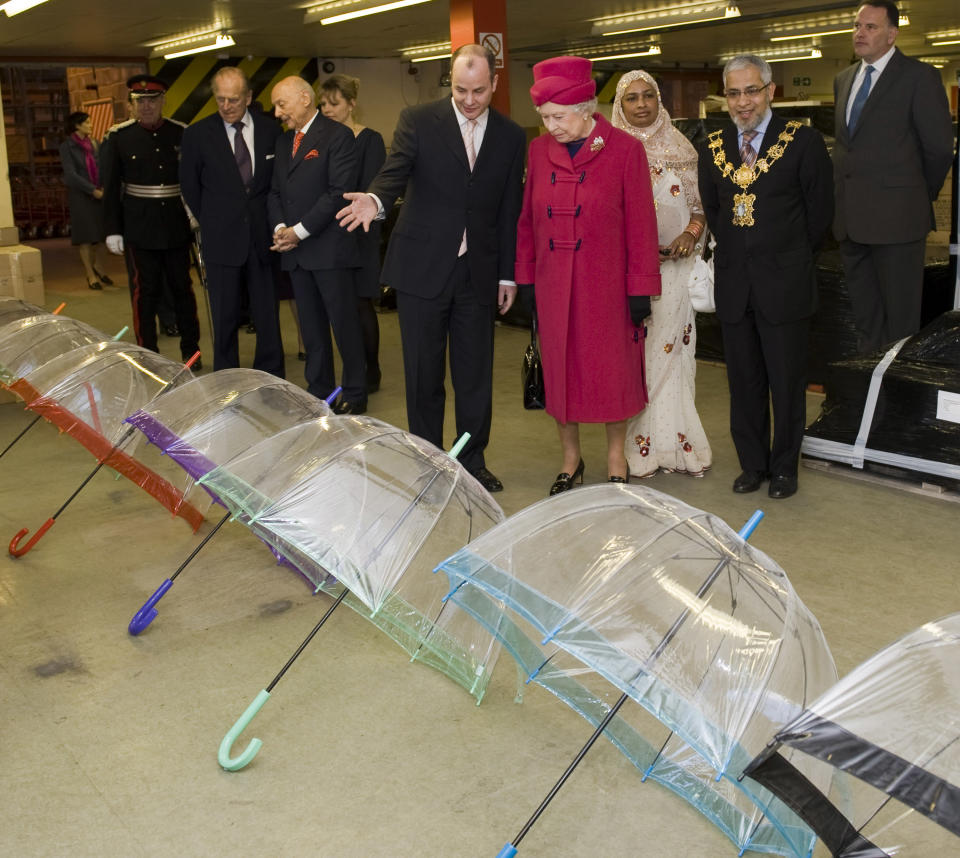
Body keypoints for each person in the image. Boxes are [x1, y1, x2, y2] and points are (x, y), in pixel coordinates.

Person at [337, 44, 525, 492]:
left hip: (478, 272)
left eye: (479, 91)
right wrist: (376, 199)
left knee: (474, 373)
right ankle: (427, 461)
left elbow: (509, 209)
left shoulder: (511, 135)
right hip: (422, 269)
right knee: (423, 373)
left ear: (495, 84)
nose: (470, 100)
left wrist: (507, 274)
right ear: (451, 83)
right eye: (460, 89)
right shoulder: (419, 120)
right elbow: (394, 172)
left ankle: (472, 459)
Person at [515, 56, 661, 495]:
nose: (550, 126)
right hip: (555, 286)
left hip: (607, 287)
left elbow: (641, 225)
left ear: (585, 110)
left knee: (611, 373)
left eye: (558, 117)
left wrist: (640, 288)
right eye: (544, 118)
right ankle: (571, 460)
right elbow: (527, 219)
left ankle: (616, 456)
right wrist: (526, 276)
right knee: (561, 375)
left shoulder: (624, 150)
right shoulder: (540, 151)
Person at [698, 54, 833, 499]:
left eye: (751, 90)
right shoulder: (711, 146)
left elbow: (820, 218)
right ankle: (751, 465)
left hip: (786, 285)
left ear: (771, 91)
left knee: (787, 381)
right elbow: (716, 213)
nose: (742, 102)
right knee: (744, 382)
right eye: (733, 93)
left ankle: (785, 468)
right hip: (736, 285)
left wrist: (785, 257)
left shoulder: (802, 142)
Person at [833, 1, 954, 354]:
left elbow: (938, 151)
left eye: (870, 27)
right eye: (857, 26)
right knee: (866, 321)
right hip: (851, 224)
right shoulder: (843, 80)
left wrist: (914, 196)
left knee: (900, 324)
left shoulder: (920, 77)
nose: (860, 33)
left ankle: (896, 401)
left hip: (899, 222)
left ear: (892, 33)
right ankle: (872, 398)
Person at [612, 70, 712, 480]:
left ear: (658, 100)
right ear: (620, 105)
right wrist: (633, 248)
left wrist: (689, 236)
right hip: (629, 275)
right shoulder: (611, 149)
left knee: (673, 359)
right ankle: (637, 450)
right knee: (639, 362)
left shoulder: (682, 147)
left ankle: (675, 446)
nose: (641, 105)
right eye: (632, 98)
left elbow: (701, 211)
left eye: (648, 96)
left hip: (674, 272)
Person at [268, 75, 366, 412]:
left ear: (304, 99)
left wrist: (299, 231)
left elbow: (337, 193)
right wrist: (282, 228)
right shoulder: (284, 143)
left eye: (282, 104)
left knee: (344, 327)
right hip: (296, 253)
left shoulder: (337, 137)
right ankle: (320, 390)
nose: (278, 112)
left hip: (329, 250)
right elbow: (276, 192)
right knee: (311, 330)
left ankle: (354, 392)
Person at [180, 66, 285, 377]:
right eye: (220, 99)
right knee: (224, 313)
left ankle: (270, 373)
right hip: (221, 237)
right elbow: (189, 185)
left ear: (249, 97)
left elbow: (276, 183)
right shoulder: (198, 134)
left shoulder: (270, 131)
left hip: (262, 236)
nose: (226, 106)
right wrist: (214, 219)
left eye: (234, 100)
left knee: (267, 312)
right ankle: (226, 376)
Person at [101, 74, 201, 365]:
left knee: (182, 288)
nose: (146, 106)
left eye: (152, 100)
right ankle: (148, 353)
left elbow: (194, 181)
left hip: (175, 222)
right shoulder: (119, 137)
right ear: (131, 104)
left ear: (163, 101)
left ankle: (191, 350)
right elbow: (110, 186)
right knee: (145, 292)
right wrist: (112, 230)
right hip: (139, 225)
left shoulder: (181, 133)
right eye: (140, 101)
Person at [319, 74, 386, 394]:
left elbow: (370, 188)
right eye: (324, 103)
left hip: (360, 231)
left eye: (335, 103)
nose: (328, 109)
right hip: (330, 232)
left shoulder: (368, 139)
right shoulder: (322, 139)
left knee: (361, 303)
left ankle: (370, 370)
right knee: (342, 306)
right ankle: (354, 368)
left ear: (352, 104)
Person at [59, 111, 112, 291]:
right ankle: (90, 275)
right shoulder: (67, 147)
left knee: (103, 235)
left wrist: (103, 187)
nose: (90, 125)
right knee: (86, 238)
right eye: (87, 122)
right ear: (77, 125)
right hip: (81, 196)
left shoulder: (94, 143)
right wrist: (92, 190)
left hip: (98, 193)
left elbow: (101, 167)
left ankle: (99, 267)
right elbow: (71, 175)